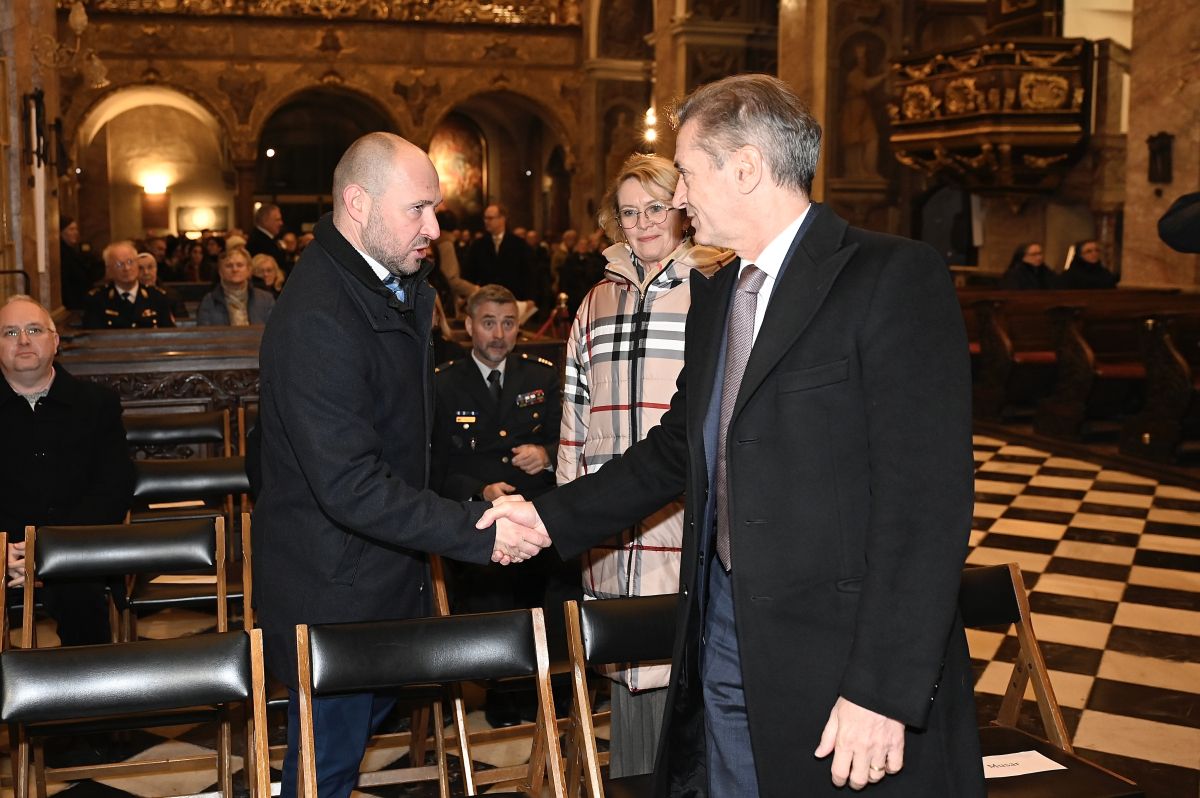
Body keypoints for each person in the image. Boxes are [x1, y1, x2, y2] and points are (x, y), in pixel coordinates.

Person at [480, 73, 983, 797]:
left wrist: (882, 690)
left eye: (687, 173)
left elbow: (927, 505)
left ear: (745, 167)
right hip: (721, 624)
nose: (680, 197)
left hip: (840, 651)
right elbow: (676, 449)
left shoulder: (889, 277)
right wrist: (547, 516)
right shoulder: (720, 295)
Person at [252, 131, 550, 798]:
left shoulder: (387, 283)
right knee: (324, 768)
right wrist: (477, 528)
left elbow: (408, 437)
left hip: (382, 569)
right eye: (418, 208)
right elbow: (349, 483)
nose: (434, 228)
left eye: (434, 208)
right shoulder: (321, 315)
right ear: (358, 203)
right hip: (333, 586)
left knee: (360, 727)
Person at [562, 152, 734, 776]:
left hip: (682, 506)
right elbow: (574, 413)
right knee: (623, 660)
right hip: (612, 515)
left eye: (656, 208)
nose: (642, 224)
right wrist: (572, 509)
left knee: (683, 659)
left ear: (682, 209)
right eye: (629, 213)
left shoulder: (715, 288)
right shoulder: (596, 301)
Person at [431, 282, 568, 725]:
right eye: (489, 323)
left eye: (508, 324)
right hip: (478, 513)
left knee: (556, 586)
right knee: (490, 592)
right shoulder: (444, 383)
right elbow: (435, 465)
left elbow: (570, 439)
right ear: (469, 325)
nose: (499, 334)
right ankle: (502, 693)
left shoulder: (540, 376)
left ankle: (555, 691)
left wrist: (546, 453)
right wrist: (481, 489)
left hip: (537, 509)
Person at [1, 295, 134, 646]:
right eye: (10, 332)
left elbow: (115, 485)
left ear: (55, 341)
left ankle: (87, 682)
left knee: (82, 601)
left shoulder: (97, 404)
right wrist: (5, 550)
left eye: (34, 330)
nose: (23, 340)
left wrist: (53, 549)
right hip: (4, 550)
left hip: (77, 549)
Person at [82, 240, 176, 329]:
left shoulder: (157, 297)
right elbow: (92, 336)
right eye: (119, 264)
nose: (126, 268)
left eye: (130, 262)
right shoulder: (97, 300)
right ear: (108, 269)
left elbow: (169, 334)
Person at [463, 203, 535, 300]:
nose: (486, 221)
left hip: (513, 297)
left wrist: (529, 298)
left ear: (502, 219)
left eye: (490, 218)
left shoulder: (518, 244)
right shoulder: (478, 245)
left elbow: (528, 274)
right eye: (485, 218)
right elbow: (469, 273)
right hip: (486, 298)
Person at [197, 246, 275, 326]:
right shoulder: (209, 301)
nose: (235, 269)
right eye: (229, 266)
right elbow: (204, 331)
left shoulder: (266, 299)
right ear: (220, 272)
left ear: (249, 270)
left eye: (239, 265)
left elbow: (274, 329)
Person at [136, 252, 189, 319]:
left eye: (150, 267)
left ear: (156, 269)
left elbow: (183, 321)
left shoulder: (171, 295)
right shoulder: (131, 296)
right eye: (140, 268)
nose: (146, 272)